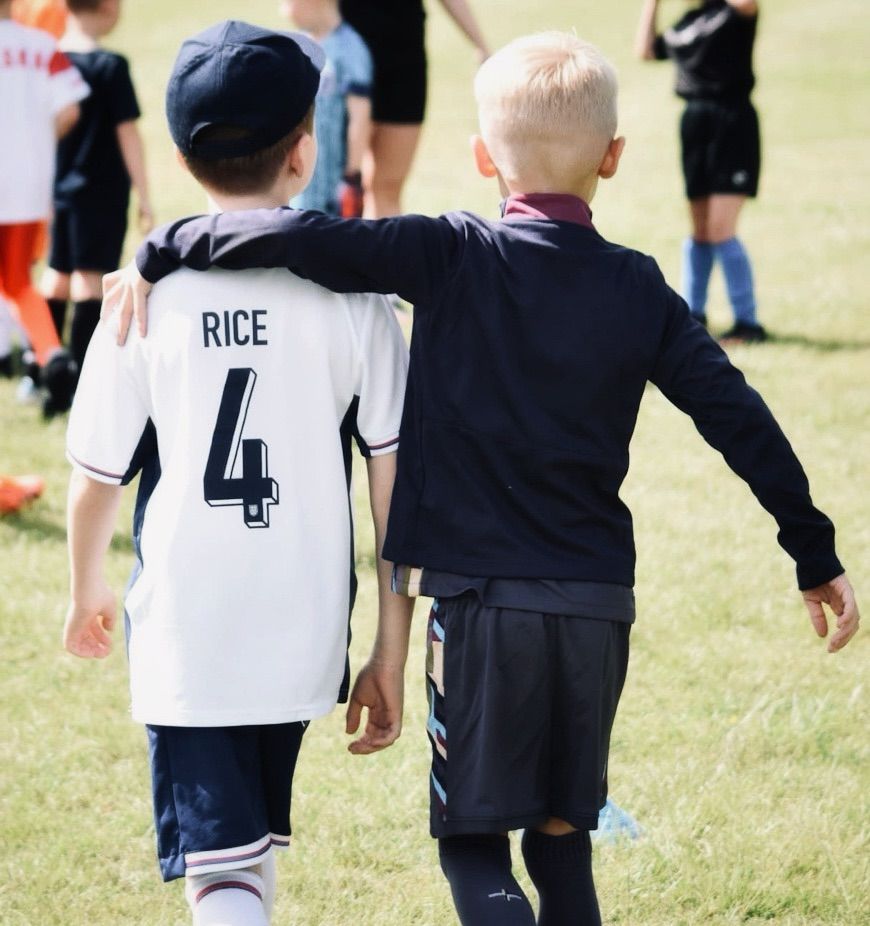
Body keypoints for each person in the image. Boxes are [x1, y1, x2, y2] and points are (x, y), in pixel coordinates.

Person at [107, 32, 860, 926]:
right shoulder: (640, 288)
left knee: (473, 848)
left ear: (478, 156)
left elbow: (304, 238)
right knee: (562, 846)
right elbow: (740, 419)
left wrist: (165, 245)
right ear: (613, 158)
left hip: (476, 614)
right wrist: (812, 552)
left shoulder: (449, 251)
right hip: (595, 609)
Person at [64, 21, 410, 926]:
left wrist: (84, 584)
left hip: (192, 626)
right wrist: (390, 642)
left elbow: (98, 473)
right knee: (243, 856)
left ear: (182, 160)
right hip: (301, 626)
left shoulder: (140, 297)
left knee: (224, 872)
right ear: (305, 152)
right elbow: (393, 490)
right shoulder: (357, 296)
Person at [635, 0, 766, 343]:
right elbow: (646, 50)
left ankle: (748, 323)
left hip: (731, 120)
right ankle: (692, 315)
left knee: (722, 228)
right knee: (701, 230)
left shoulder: (734, 11)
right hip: (695, 122)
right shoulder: (688, 21)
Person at [39, 0, 151, 380]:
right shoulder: (110, 67)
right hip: (101, 194)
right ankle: (78, 374)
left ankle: (42, 366)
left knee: (55, 274)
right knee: (89, 278)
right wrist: (145, 195)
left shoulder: (49, 59)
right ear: (107, 7)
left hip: (57, 191)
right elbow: (128, 135)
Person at [0, 0, 88, 414]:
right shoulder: (41, 45)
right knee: (17, 281)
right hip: (28, 187)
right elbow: (70, 110)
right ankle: (53, 354)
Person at [339, 0, 489, 216]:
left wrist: (481, 46)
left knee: (388, 188)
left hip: (405, 59)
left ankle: (384, 250)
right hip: (345, 63)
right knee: (342, 186)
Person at [280, 0, 372, 217]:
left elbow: (360, 118)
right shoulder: (296, 45)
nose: (282, 10)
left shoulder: (348, 48)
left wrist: (352, 178)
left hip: (329, 187)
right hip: (295, 181)